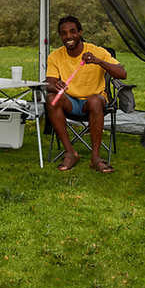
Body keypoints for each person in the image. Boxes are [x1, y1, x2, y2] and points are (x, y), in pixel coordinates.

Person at [46, 15, 127, 173]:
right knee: (51, 99)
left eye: (72, 31)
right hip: (70, 102)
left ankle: (95, 158)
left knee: (95, 101)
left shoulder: (97, 51)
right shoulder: (55, 56)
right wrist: (55, 86)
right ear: (60, 36)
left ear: (80, 32)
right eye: (64, 33)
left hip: (94, 102)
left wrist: (98, 61)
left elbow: (122, 73)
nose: (68, 36)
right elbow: (49, 82)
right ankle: (70, 152)